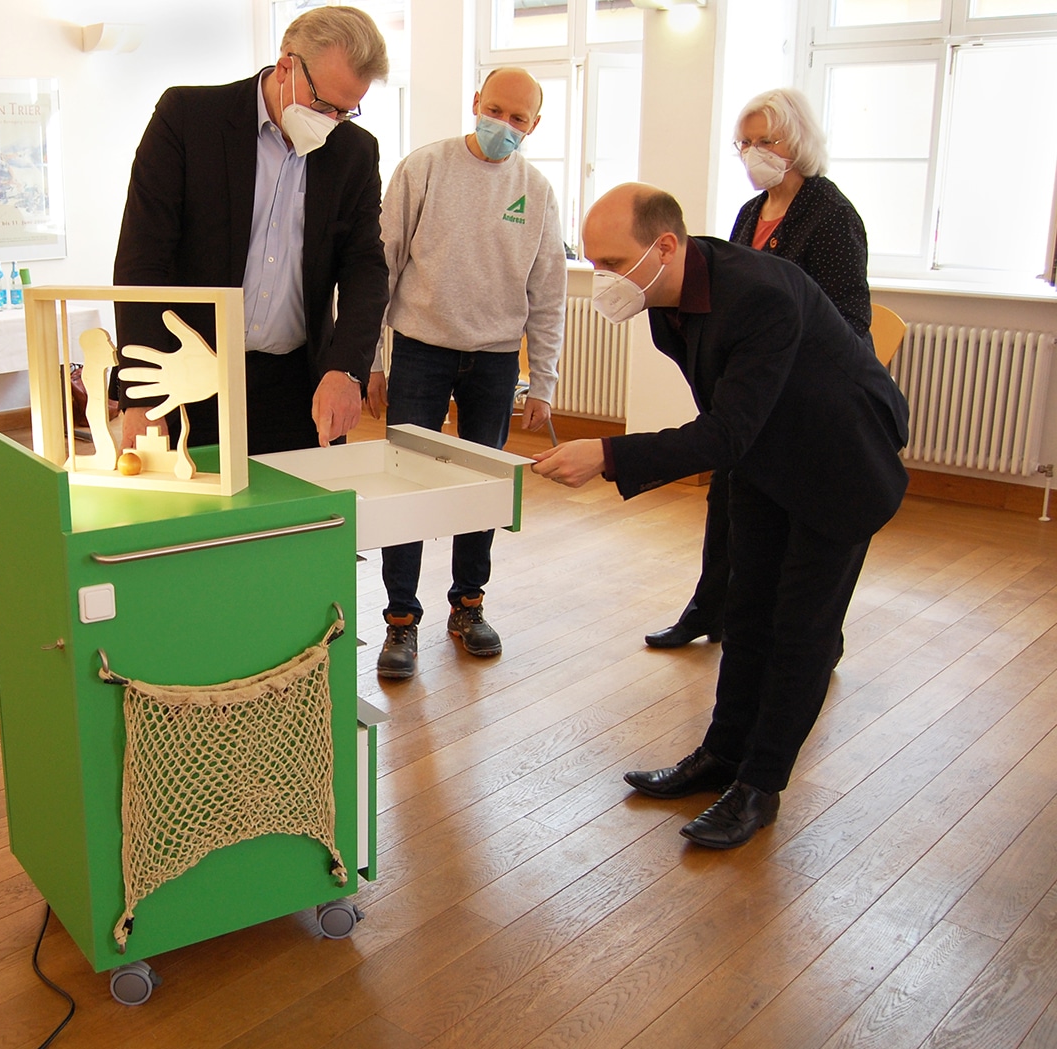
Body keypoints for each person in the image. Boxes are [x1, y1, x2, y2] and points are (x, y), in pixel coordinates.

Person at [532, 184, 909, 848]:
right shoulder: (663, 300)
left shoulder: (758, 292)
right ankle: (720, 756)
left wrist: (609, 453)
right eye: (594, 264)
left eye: (613, 263)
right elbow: (733, 419)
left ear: (666, 246)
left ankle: (760, 787)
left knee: (801, 631)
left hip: (842, 463)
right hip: (768, 455)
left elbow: (726, 429)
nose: (603, 281)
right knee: (746, 610)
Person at [644, 87, 873, 652]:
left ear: (797, 142)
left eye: (763, 141)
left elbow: (849, 320)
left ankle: (808, 634)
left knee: (787, 525)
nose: (751, 153)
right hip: (753, 386)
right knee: (725, 496)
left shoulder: (832, 215)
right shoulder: (751, 212)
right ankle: (711, 607)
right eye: (743, 143)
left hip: (804, 394)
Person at [112, 6, 390, 455]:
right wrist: (143, 398)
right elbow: (143, 261)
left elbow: (365, 268)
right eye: (323, 105)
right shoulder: (188, 119)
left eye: (346, 110)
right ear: (286, 67)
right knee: (191, 521)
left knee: (298, 521)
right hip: (187, 373)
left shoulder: (355, 152)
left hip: (297, 385)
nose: (332, 121)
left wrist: (348, 369)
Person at [366, 67, 567, 679]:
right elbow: (382, 266)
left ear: (535, 125)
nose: (505, 125)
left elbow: (549, 292)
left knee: (484, 490)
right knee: (404, 487)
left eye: (520, 118)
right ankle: (401, 621)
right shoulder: (424, 168)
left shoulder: (535, 191)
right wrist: (372, 360)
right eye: (497, 109)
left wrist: (546, 383)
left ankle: (468, 607)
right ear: (476, 102)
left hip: (497, 358)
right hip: (422, 349)